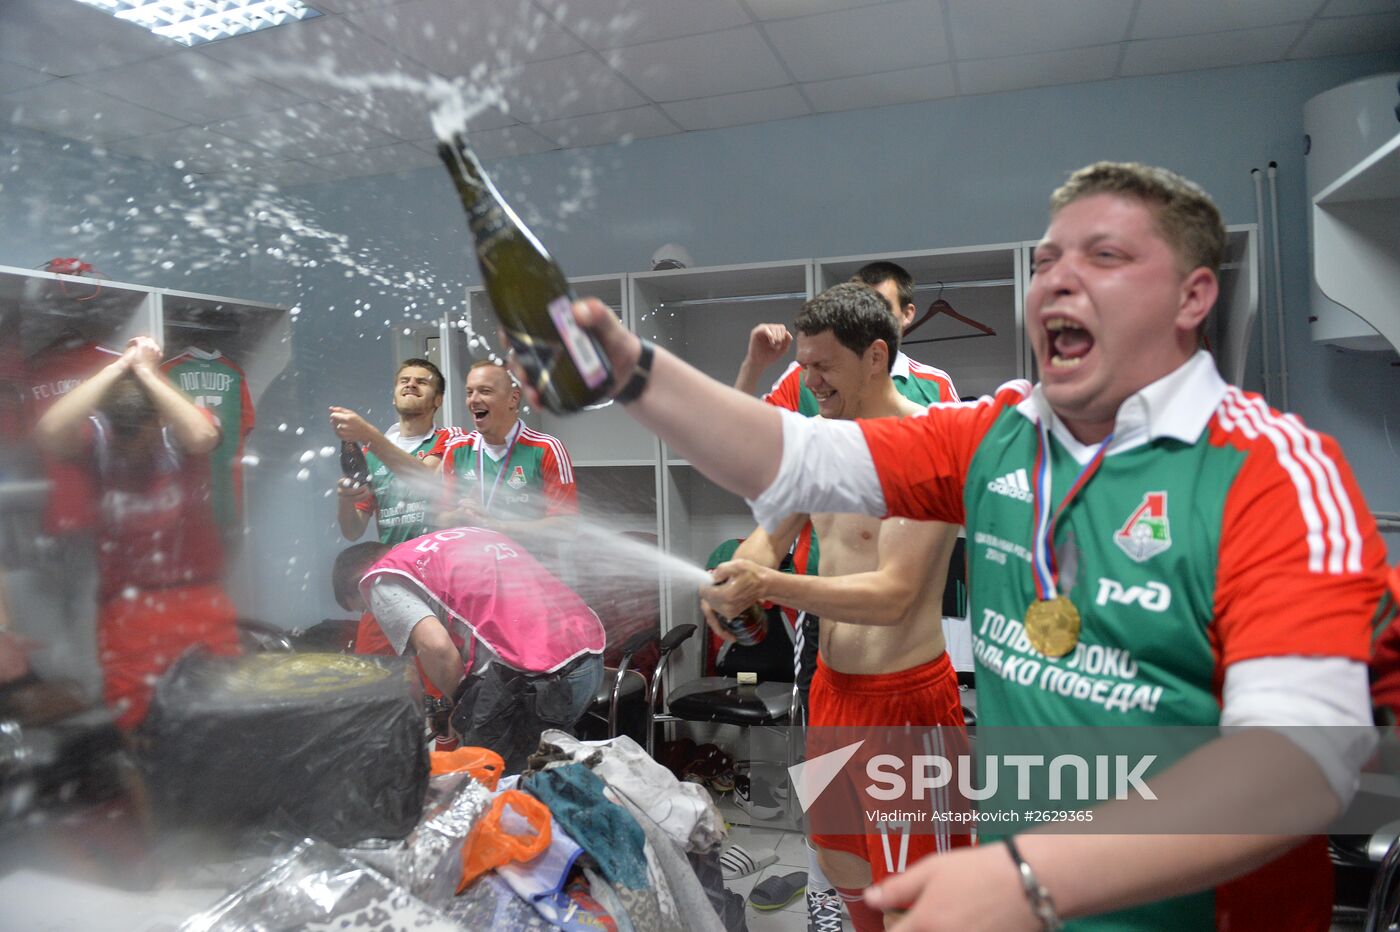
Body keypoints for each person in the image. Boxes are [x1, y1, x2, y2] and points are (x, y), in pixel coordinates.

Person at [527, 162, 1389, 931]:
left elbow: (1300, 764)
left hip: (1186, 908)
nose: (1058, 283)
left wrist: (1027, 877)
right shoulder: (995, 435)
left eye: (1105, 259)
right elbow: (792, 457)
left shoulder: (1271, 473)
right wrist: (630, 370)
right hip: (998, 849)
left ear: (1193, 298)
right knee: (851, 880)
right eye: (1048, 262)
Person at [705, 283, 967, 932]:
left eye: (824, 366)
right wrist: (741, 569)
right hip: (830, 694)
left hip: (905, 706)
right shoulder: (818, 443)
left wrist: (773, 586)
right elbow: (773, 532)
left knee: (916, 894)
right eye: (804, 364)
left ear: (875, 357)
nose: (809, 380)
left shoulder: (928, 447)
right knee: (840, 864)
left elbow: (892, 594)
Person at [33, 336, 238, 729]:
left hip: (197, 599)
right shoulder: (99, 441)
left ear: (157, 422)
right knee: (137, 728)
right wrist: (115, 369)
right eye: (123, 441)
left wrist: (147, 371)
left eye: (139, 439)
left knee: (218, 720)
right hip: (126, 609)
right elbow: (49, 432)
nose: (131, 452)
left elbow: (203, 436)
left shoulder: (177, 436)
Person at [331, 525, 605, 772]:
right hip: (589, 660)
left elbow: (437, 648)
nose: (373, 614)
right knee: (553, 778)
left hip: (533, 684)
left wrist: (459, 707)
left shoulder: (379, 579)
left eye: (366, 608)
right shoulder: (456, 539)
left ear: (359, 584)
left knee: (502, 787)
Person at [734, 261, 958, 409]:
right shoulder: (802, 378)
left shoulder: (934, 387)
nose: (867, 320)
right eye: (858, 307)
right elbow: (741, 438)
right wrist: (753, 366)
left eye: (880, 309)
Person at [431, 360, 578, 539]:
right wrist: (459, 515)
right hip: (473, 562)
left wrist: (499, 527)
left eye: (485, 391)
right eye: (469, 392)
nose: (474, 400)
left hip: (529, 564)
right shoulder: (458, 449)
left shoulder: (546, 448)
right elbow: (439, 518)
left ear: (513, 399)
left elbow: (566, 524)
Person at [332, 357, 452, 545]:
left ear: (438, 399)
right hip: (395, 567)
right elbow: (352, 531)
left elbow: (426, 478)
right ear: (394, 396)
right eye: (404, 381)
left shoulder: (451, 439)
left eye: (421, 382)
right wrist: (345, 500)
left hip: (437, 564)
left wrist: (367, 434)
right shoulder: (370, 455)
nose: (411, 385)